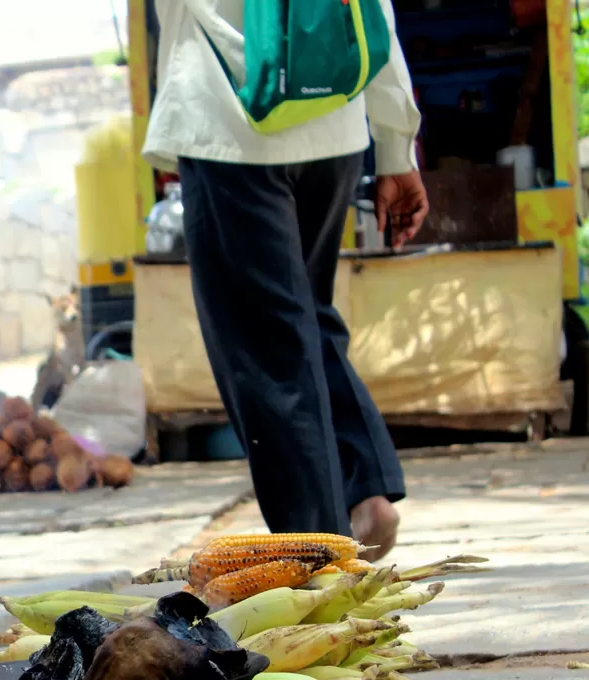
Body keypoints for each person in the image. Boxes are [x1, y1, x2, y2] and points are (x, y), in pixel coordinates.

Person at [144, 0, 430, 559]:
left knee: (266, 350)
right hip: (334, 128)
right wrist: (397, 147)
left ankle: (321, 557)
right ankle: (362, 488)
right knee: (305, 319)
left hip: (230, 123)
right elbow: (374, 13)